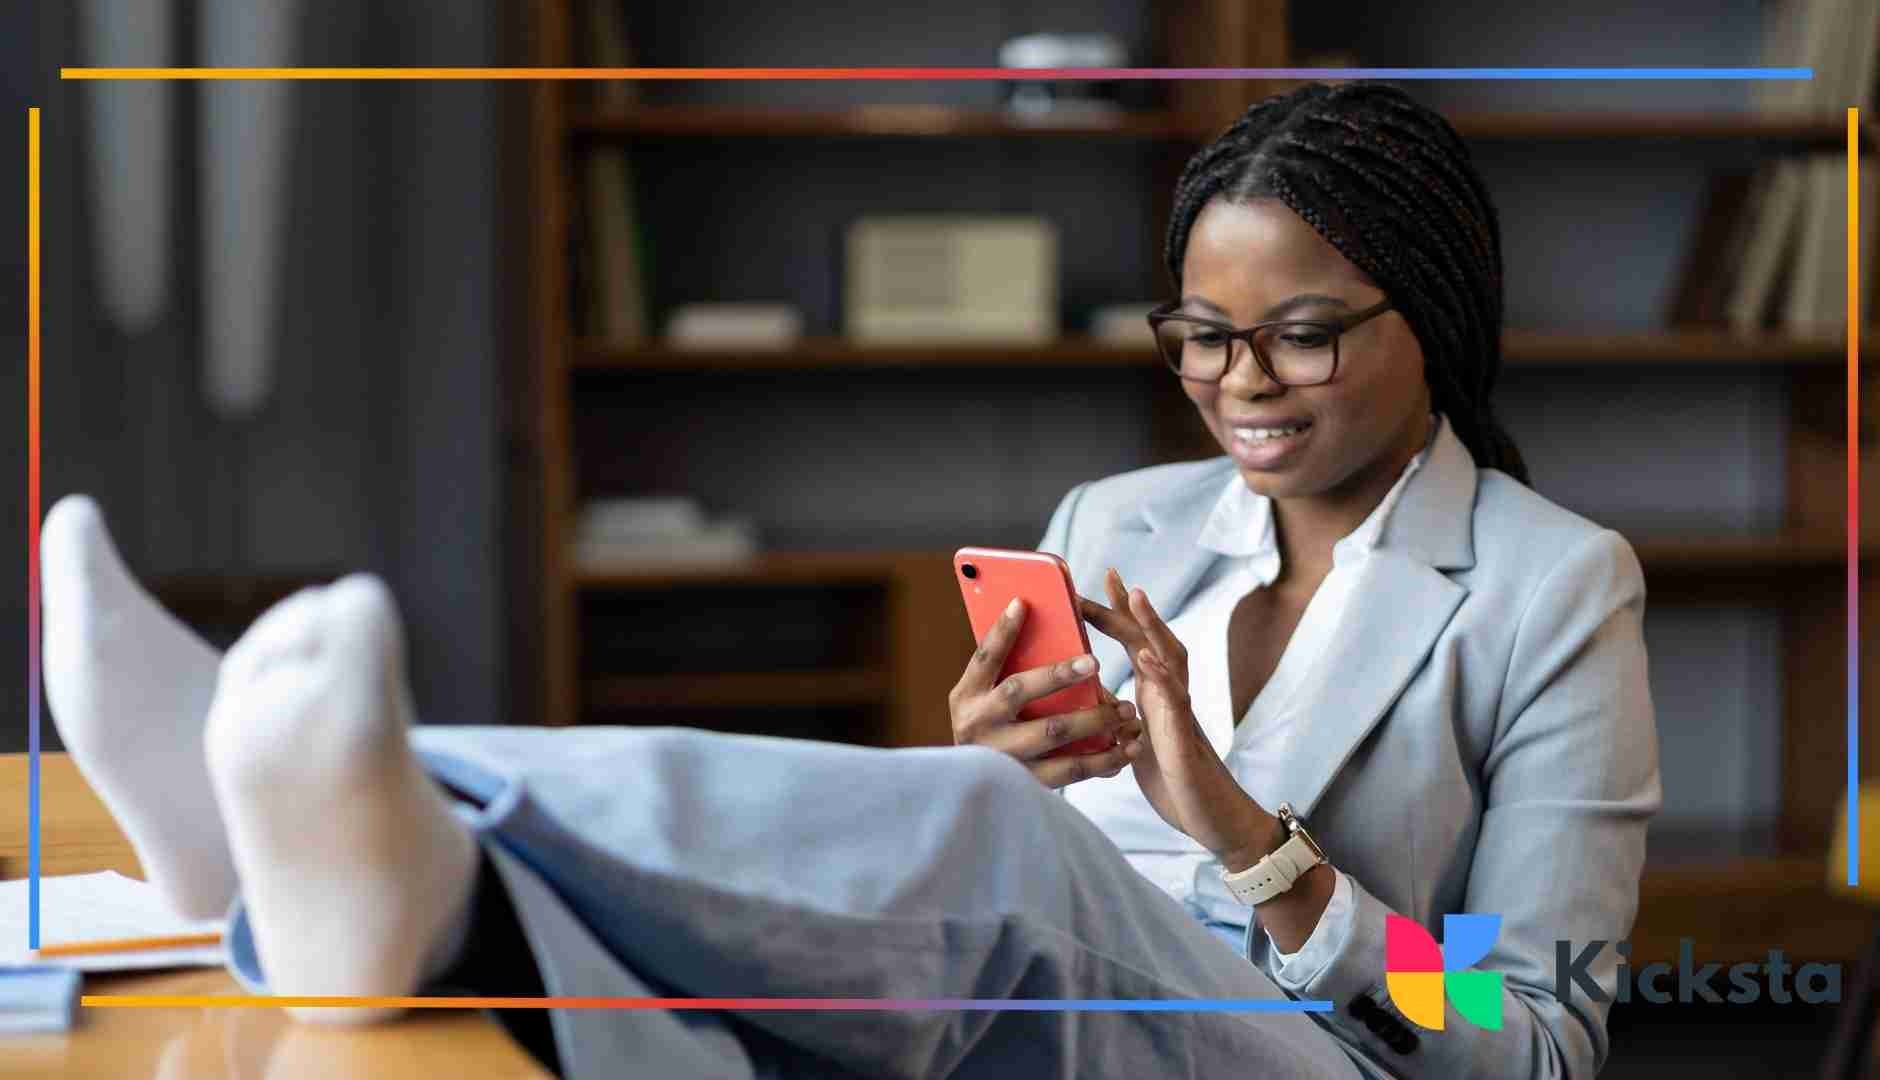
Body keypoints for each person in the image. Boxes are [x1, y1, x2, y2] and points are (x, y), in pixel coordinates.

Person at [39, 81, 1658, 1080]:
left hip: (1301, 1057)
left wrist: (1253, 844)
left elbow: (1534, 1027)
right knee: (791, 984)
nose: (1241, 380)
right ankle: (319, 883)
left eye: (1300, 333)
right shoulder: (1126, 517)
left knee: (999, 849)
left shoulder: (1550, 590)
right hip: (1039, 1014)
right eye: (1200, 336)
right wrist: (978, 765)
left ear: (1429, 313)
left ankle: (408, 834)